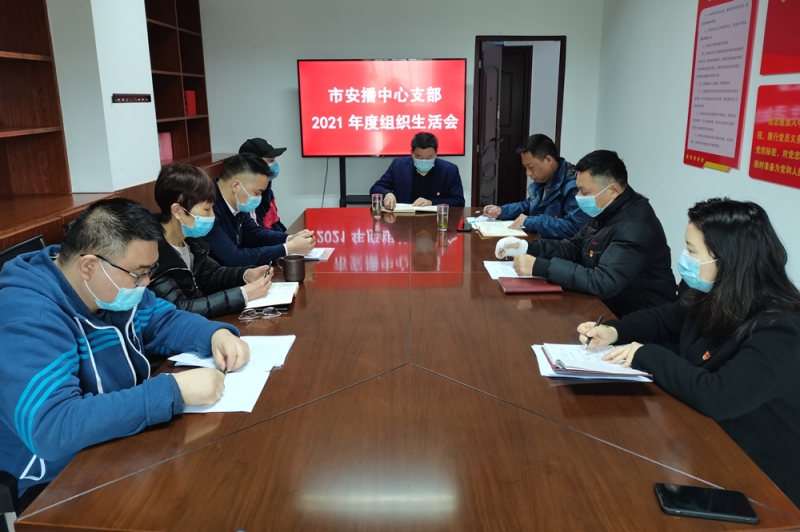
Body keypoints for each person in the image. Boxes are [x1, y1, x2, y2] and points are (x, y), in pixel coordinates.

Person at [0, 198, 250, 509]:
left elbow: (162, 320)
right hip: (54, 481)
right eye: (139, 273)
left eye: (150, 271)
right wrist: (173, 390)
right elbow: (52, 428)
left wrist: (214, 334)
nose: (146, 283)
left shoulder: (106, 286)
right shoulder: (28, 318)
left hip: (117, 440)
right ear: (89, 267)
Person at [578, 198, 800, 506]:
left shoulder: (782, 328)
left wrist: (645, 354)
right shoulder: (713, 291)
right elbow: (665, 318)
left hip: (760, 474)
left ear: (728, 259)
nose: (685, 259)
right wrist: (615, 332)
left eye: (692, 251)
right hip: (703, 437)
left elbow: (718, 396)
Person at [496, 150, 676, 317]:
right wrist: (528, 247)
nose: (579, 197)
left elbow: (602, 281)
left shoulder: (635, 227)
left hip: (639, 318)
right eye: (578, 189)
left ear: (613, 190)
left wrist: (540, 267)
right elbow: (574, 247)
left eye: (585, 191)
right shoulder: (605, 210)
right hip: (606, 306)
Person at [149, 163, 274, 318]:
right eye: (206, 209)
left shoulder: (191, 242)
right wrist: (242, 295)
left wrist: (246, 275)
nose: (212, 216)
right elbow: (181, 309)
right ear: (177, 211)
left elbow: (213, 274)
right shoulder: (153, 255)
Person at [204, 153, 316, 267]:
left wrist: (289, 238)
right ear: (236, 186)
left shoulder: (235, 201)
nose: (259, 198)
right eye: (257, 192)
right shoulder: (206, 210)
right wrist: (289, 248)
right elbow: (234, 258)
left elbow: (254, 235)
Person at [482, 134, 588, 238]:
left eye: (531, 167)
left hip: (558, 247)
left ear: (548, 160)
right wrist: (502, 211)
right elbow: (528, 205)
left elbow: (574, 228)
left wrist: (532, 221)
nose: (528, 173)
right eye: (526, 168)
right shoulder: (544, 180)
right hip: (541, 241)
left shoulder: (574, 186)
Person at [370, 132, 465, 209]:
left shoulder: (449, 170)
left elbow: (459, 201)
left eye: (429, 158)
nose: (424, 161)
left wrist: (432, 202)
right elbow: (376, 188)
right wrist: (387, 194)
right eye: (419, 157)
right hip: (403, 221)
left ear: (436, 153)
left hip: (435, 221)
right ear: (412, 153)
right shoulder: (398, 166)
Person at [238, 137, 287, 232]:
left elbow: (275, 222)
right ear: (253, 164)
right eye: (270, 161)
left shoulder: (267, 190)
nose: (275, 164)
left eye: (274, 160)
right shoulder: (246, 197)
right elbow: (255, 233)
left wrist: (289, 237)